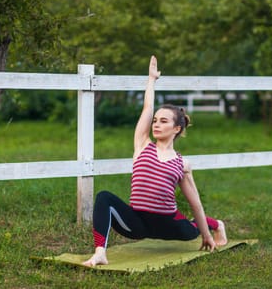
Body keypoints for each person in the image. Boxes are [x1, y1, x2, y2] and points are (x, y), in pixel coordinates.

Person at [83, 55, 227, 267]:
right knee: (104, 197)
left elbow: (195, 203)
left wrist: (206, 235)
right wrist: (151, 80)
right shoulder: (142, 145)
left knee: (191, 229)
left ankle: (217, 224)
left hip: (170, 225)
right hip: (137, 224)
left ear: (176, 129)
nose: (156, 124)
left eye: (164, 121)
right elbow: (147, 108)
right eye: (156, 121)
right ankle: (100, 253)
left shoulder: (182, 164)